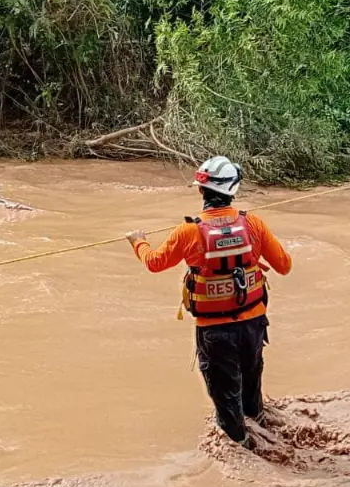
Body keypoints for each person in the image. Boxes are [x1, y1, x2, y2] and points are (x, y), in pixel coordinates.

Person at [125, 156, 292, 449]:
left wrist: (137, 241)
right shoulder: (253, 222)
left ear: (201, 191)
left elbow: (154, 263)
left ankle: (245, 455)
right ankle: (259, 425)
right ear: (233, 191)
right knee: (251, 386)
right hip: (253, 324)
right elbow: (284, 265)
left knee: (226, 401)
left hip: (215, 331)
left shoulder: (189, 231)